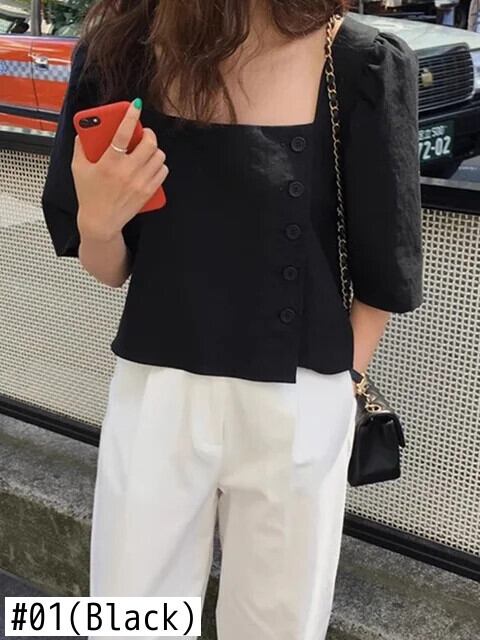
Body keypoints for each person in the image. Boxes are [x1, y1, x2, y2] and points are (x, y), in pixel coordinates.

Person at [41, 1, 424, 638]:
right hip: (157, 387)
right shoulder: (120, 51)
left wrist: (333, 392)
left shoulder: (357, 61)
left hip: (299, 397)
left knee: (278, 626)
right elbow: (108, 267)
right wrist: (99, 220)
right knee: (129, 617)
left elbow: (384, 271)